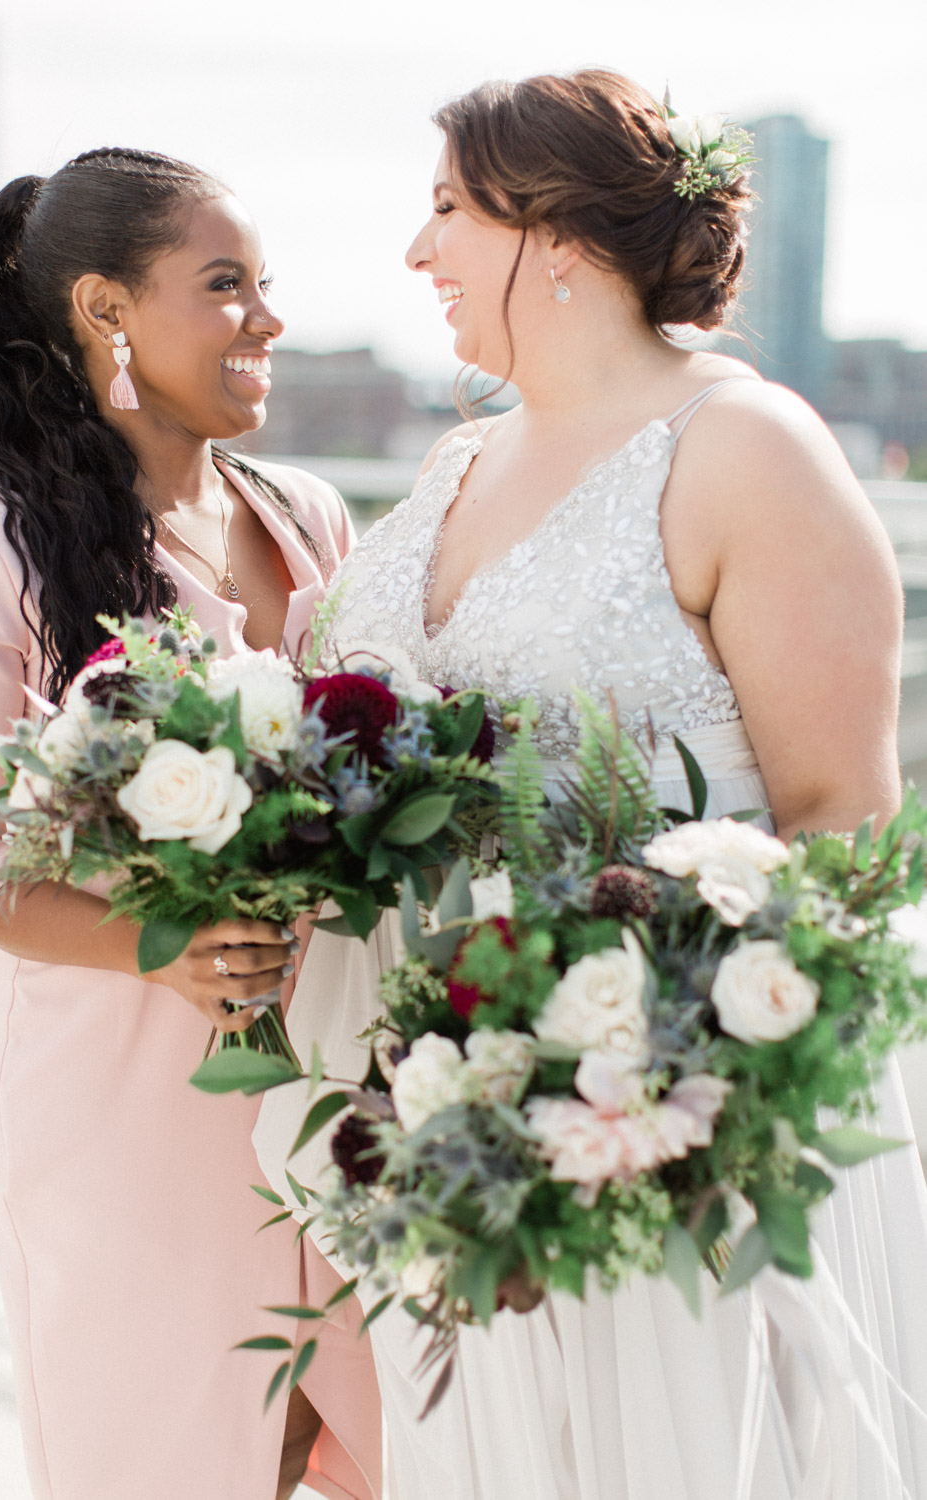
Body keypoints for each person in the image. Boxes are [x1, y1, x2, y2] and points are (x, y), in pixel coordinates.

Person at [255, 72, 927, 1498]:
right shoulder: (451, 459)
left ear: (552, 236)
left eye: (446, 208)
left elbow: (839, 830)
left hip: (662, 1111)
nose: (415, 252)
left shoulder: (747, 452)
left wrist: (613, 1060)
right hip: (450, 1122)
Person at [0, 148, 381, 1500]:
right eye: (225, 287)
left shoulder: (310, 518)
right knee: (168, 1455)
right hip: (120, 1088)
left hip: (331, 1053)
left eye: (264, 284)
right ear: (106, 309)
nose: (267, 319)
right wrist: (158, 949)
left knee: (384, 1438)